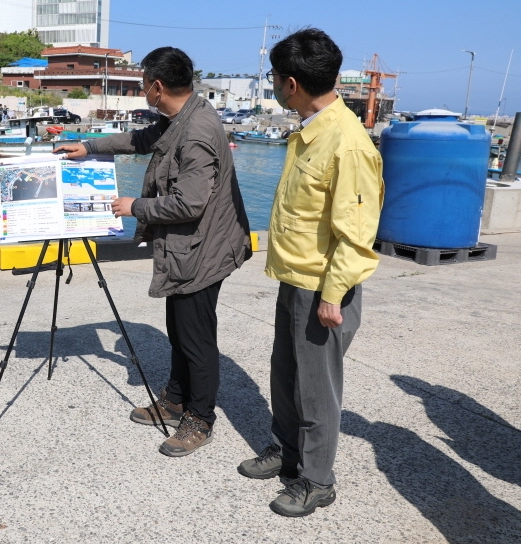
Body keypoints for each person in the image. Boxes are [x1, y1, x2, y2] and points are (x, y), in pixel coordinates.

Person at [54, 47, 252, 457]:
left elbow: (189, 203)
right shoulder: (179, 116)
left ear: (157, 87)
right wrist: (89, 148)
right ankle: (176, 397)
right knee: (179, 328)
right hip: (188, 245)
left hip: (204, 249)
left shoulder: (197, 130)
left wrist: (134, 207)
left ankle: (200, 418)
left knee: (196, 337)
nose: (144, 90)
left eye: (144, 83)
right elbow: (142, 139)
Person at [237, 29, 384, 517]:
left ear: (292, 83)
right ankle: (287, 452)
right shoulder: (310, 131)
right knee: (285, 374)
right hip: (294, 276)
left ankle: (317, 479)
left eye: (276, 78)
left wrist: (332, 296)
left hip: (323, 286)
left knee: (317, 388)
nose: (275, 85)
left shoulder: (347, 143)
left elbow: (356, 234)